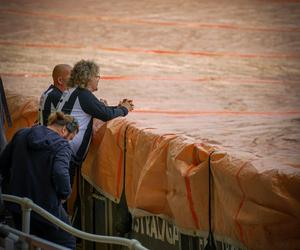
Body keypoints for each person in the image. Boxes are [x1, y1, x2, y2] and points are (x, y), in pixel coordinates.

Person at [0, 111, 79, 249]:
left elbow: (3, 164)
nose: (68, 142)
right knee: (67, 242)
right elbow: (60, 173)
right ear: (64, 130)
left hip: (16, 205)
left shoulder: (21, 134)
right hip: (45, 209)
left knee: (26, 240)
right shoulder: (62, 145)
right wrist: (64, 195)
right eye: (70, 138)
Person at [57, 59, 134, 186]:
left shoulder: (72, 91)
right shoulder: (83, 95)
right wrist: (124, 109)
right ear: (88, 78)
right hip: (66, 152)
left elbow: (99, 109)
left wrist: (119, 108)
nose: (99, 78)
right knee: (60, 197)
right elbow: (106, 114)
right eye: (97, 76)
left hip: (61, 148)